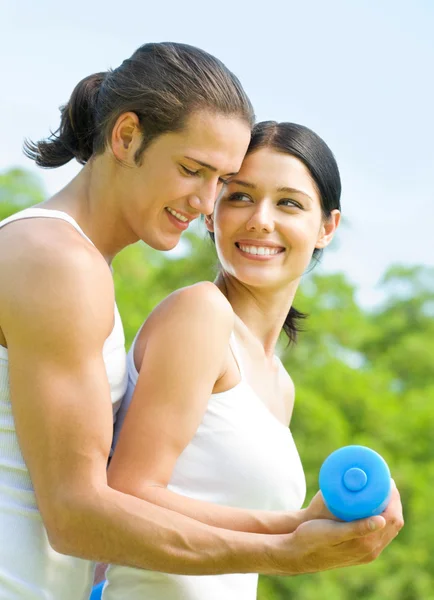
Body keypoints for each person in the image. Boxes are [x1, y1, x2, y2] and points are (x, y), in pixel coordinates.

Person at [0, 40, 402, 600]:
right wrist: (286, 550)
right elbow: (77, 514)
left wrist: (303, 527)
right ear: (125, 137)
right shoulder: (55, 258)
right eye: (195, 171)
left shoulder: (78, 264)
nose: (205, 202)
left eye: (220, 180)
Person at [101, 121, 404, 599]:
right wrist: (293, 529)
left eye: (288, 203)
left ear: (326, 227)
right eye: (240, 196)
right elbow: (127, 494)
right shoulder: (200, 314)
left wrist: (313, 530)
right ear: (210, 212)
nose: (261, 219)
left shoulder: (280, 386)